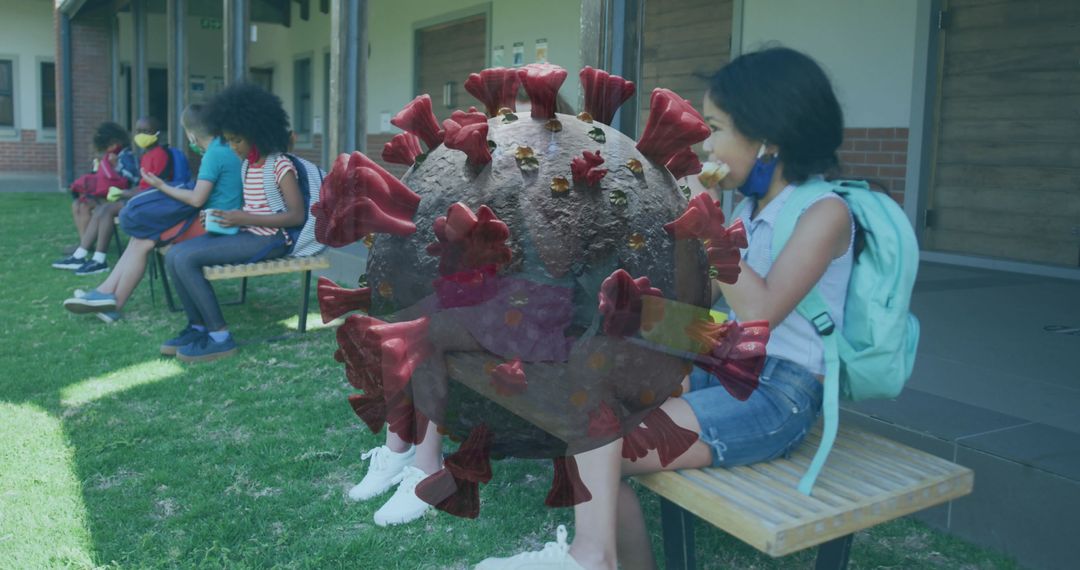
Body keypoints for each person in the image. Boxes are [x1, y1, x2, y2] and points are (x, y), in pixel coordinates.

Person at [476, 47, 853, 570]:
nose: (705, 143)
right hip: (727, 361)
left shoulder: (826, 213)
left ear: (767, 138)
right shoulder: (751, 206)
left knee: (597, 445)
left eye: (715, 128)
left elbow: (761, 313)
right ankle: (597, 555)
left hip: (778, 393)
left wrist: (708, 225)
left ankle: (592, 555)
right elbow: (708, 306)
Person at [160, 83, 304, 362]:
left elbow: (296, 216)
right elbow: (250, 207)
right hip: (248, 232)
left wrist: (243, 217)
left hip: (272, 240)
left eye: (237, 140)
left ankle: (220, 337)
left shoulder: (280, 165)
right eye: (228, 140)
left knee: (187, 259)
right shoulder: (249, 164)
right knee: (175, 254)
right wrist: (220, 217)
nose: (233, 147)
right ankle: (197, 326)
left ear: (257, 133)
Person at [62, 104, 243, 324]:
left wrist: (160, 185)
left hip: (214, 225)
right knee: (142, 238)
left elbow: (197, 198)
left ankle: (110, 300)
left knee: (144, 239)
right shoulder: (223, 149)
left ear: (191, 134)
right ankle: (106, 296)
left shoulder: (214, 154)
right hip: (213, 220)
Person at [54, 117, 172, 276]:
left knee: (106, 210)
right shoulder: (148, 155)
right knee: (101, 209)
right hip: (141, 197)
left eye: (146, 132)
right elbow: (144, 184)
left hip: (149, 200)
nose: (140, 135)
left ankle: (98, 260)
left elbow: (154, 187)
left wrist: (123, 192)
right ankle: (82, 255)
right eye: (138, 131)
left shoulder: (159, 155)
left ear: (157, 133)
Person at [54, 122, 133, 265]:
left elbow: (130, 180)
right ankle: (85, 244)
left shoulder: (126, 156)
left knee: (84, 207)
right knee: (78, 204)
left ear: (115, 142)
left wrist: (114, 168)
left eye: (107, 147)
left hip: (118, 197)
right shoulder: (111, 156)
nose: (106, 151)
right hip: (107, 195)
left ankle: (84, 246)